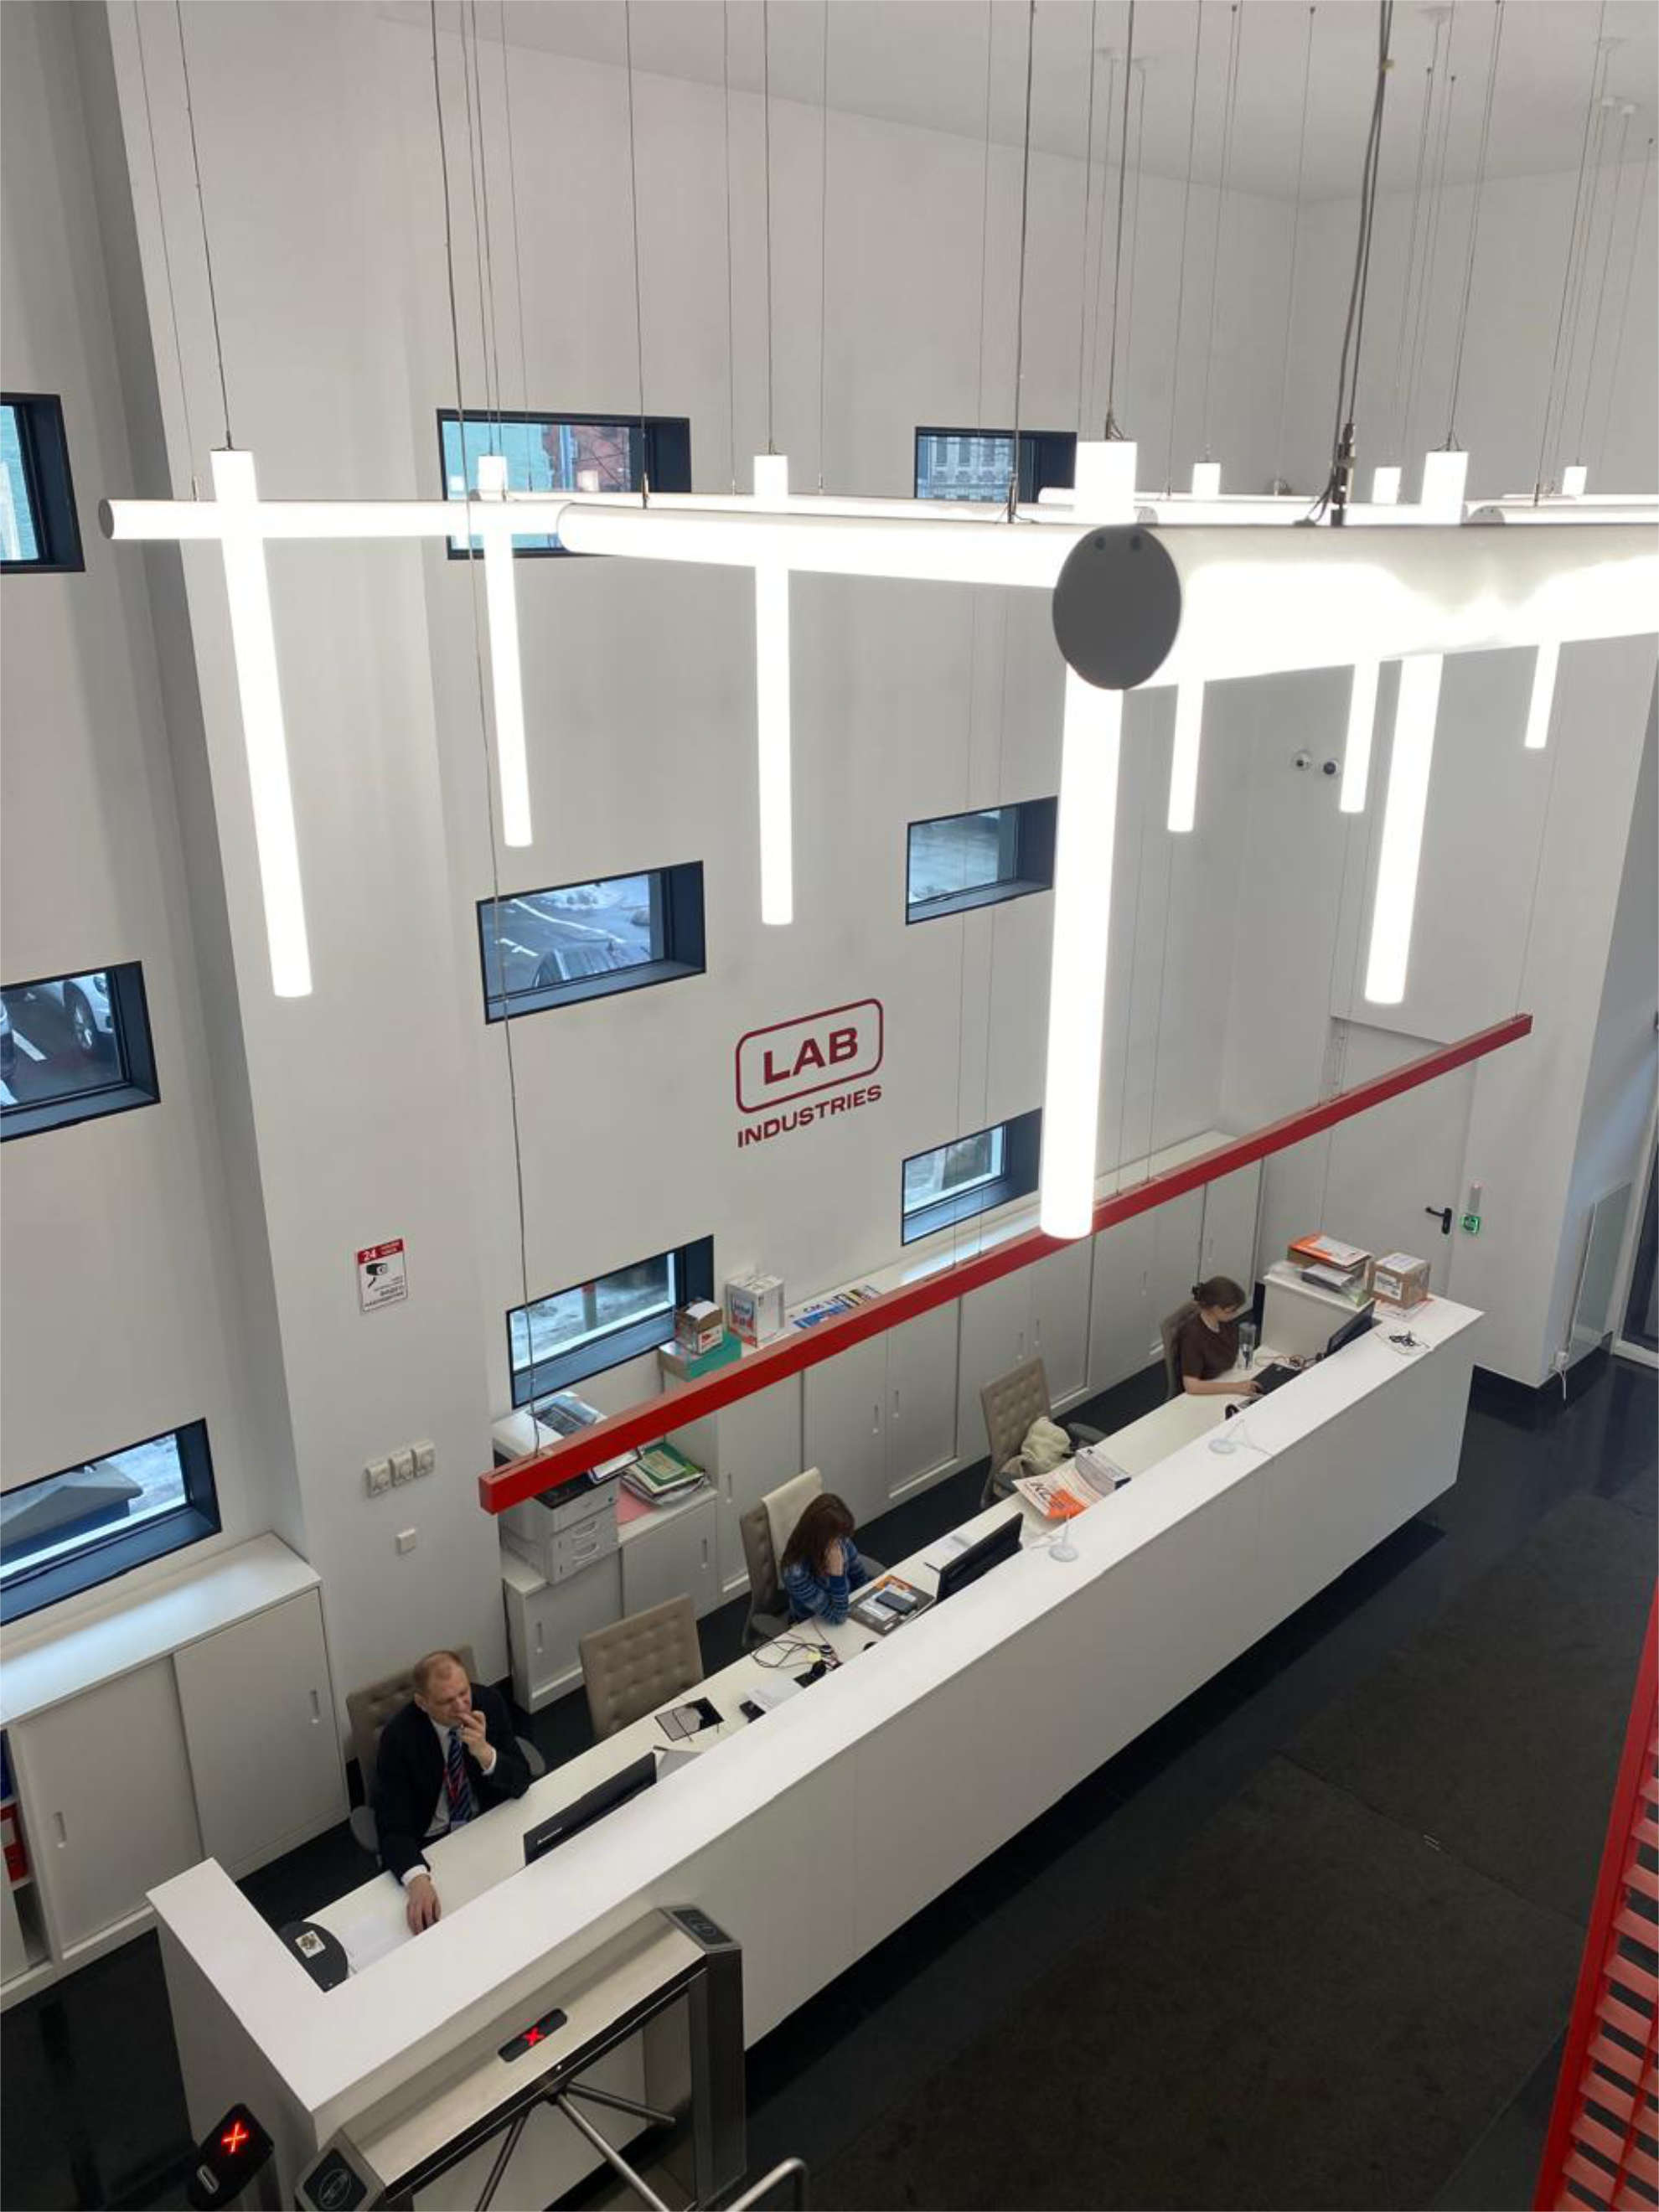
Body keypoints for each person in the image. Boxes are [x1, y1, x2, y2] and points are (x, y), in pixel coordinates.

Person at [373, 1649, 532, 1933]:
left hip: (486, 1826)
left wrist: (485, 1753)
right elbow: (392, 1826)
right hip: (433, 1844)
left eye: (463, 1693)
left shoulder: (488, 1703)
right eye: (447, 1701)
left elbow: (521, 1779)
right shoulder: (399, 1738)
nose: (461, 1707)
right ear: (422, 1703)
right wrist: (417, 1880)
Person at [779, 1493, 872, 1627]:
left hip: (849, 1607)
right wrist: (837, 1575)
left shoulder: (839, 1539)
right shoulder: (795, 1572)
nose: (840, 1542)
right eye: (834, 1539)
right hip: (815, 1624)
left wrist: (865, 1606)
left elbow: (861, 1579)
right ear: (819, 1539)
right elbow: (837, 1617)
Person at [1176, 1276, 1258, 1398]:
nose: (1235, 1314)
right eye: (1231, 1310)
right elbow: (1191, 1386)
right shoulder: (1193, 1335)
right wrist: (1236, 1387)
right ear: (1215, 1308)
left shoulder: (1224, 1320)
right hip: (1205, 1391)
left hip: (1226, 1376)